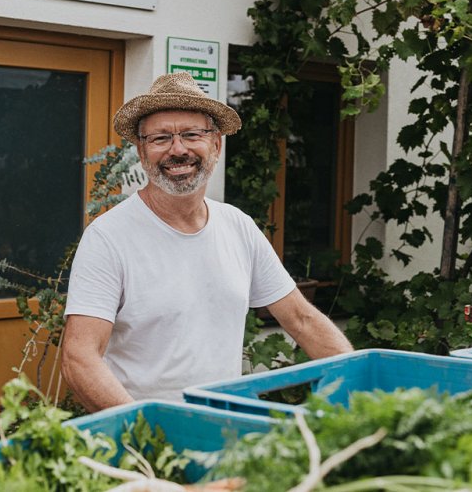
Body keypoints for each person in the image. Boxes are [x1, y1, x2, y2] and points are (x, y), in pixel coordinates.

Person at [61, 72, 352, 412]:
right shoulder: (109, 237)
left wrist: (365, 388)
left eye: (191, 134)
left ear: (216, 145)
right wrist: (146, 428)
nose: (178, 149)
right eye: (160, 138)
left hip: (225, 427)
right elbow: (79, 358)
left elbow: (302, 320)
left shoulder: (238, 227)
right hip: (146, 434)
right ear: (141, 152)